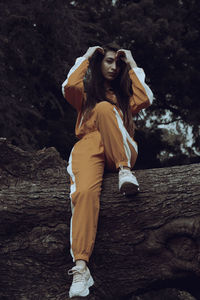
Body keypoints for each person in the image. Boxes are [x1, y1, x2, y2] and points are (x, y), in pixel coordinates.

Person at [62, 43, 153, 298]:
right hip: (89, 146)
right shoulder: (85, 95)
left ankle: (124, 170)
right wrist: (89, 54)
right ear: (99, 63)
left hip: (120, 148)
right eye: (109, 61)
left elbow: (145, 97)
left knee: (105, 109)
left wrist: (132, 62)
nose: (114, 67)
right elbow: (69, 85)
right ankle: (81, 267)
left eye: (118, 64)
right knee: (83, 195)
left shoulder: (124, 98)